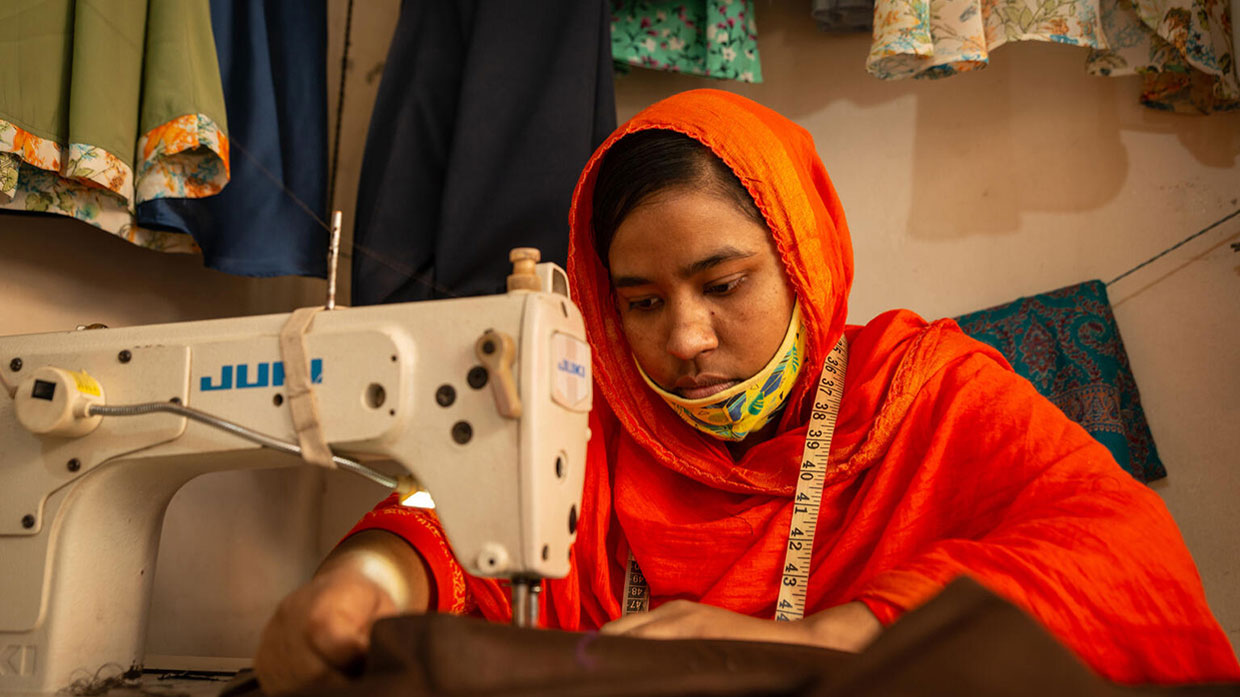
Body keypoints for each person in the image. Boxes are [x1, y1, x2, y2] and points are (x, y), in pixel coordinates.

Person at [254, 89, 1240, 694]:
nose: (684, 339)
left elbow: (1120, 556)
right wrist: (371, 578)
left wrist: (833, 633)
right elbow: (446, 513)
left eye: (723, 286)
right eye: (638, 301)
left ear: (801, 256)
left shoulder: (920, 389)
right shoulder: (583, 408)